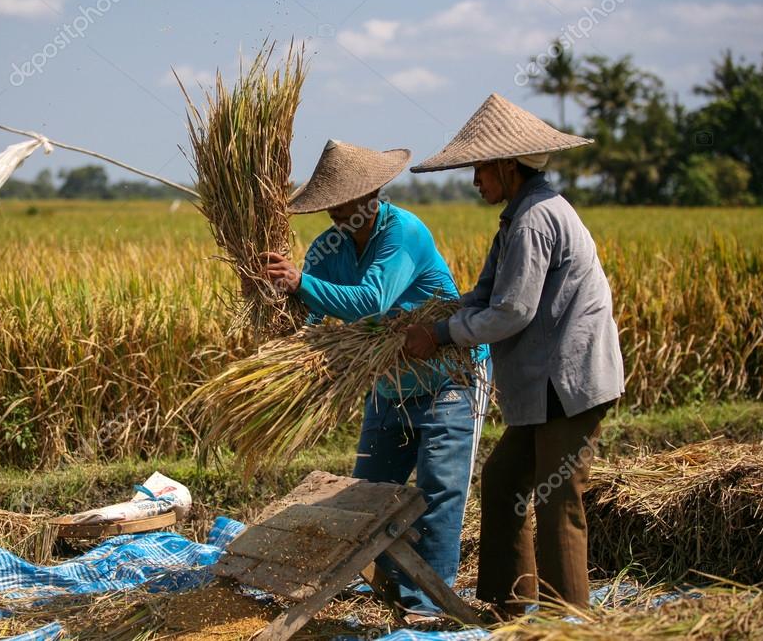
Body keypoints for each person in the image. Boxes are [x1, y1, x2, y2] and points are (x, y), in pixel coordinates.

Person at [403, 93, 624, 614]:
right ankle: (507, 607)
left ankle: (567, 620)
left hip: (571, 383)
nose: (475, 180)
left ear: (506, 165)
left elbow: (512, 312)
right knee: (503, 482)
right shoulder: (516, 218)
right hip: (546, 385)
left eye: (480, 168)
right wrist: (427, 318)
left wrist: (439, 336)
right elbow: (484, 295)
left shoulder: (533, 220)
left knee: (557, 499)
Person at [260, 139, 491, 622]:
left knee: (438, 489)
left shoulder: (404, 232)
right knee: (370, 491)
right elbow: (313, 313)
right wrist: (280, 310)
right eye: (331, 206)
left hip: (449, 376)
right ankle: (392, 586)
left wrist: (300, 281)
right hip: (389, 381)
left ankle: (429, 602)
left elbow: (372, 301)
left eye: (348, 202)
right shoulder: (329, 247)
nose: (340, 214)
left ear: (373, 193)